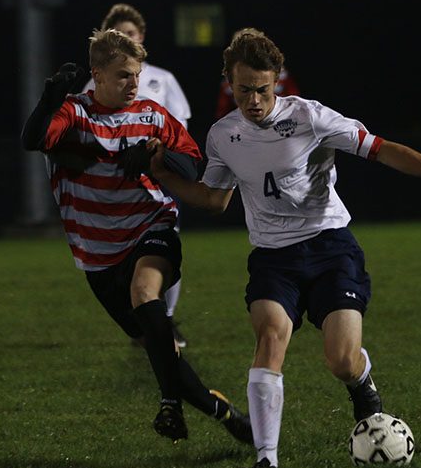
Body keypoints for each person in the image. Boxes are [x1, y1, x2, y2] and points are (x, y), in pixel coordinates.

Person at [148, 28, 421, 468]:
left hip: (331, 248)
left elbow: (381, 150)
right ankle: (266, 459)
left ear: (277, 82)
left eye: (262, 90)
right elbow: (214, 199)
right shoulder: (223, 135)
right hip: (274, 257)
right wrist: (164, 176)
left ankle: (362, 386)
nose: (252, 100)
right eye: (242, 89)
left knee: (341, 361)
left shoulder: (311, 117)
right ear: (229, 83)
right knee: (270, 338)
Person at [20, 27, 252, 445]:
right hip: (97, 255)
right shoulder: (73, 115)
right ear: (99, 75)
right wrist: (49, 98)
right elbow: (32, 140)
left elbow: (189, 165)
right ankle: (223, 412)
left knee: (146, 294)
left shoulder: (151, 116)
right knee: (161, 351)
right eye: (124, 75)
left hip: (151, 226)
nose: (134, 84)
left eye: (137, 74)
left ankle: (168, 405)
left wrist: (155, 155)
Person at [82, 3, 191, 348]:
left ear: (141, 37)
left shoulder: (162, 79)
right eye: (119, 35)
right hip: (115, 184)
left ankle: (165, 319)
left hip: (156, 179)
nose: (126, 39)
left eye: (130, 33)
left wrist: (158, 155)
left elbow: (179, 128)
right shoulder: (93, 83)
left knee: (165, 247)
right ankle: (140, 320)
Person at [215, 63, 299, 120]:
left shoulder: (281, 76)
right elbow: (222, 112)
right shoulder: (230, 81)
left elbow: (294, 103)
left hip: (279, 123)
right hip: (244, 128)